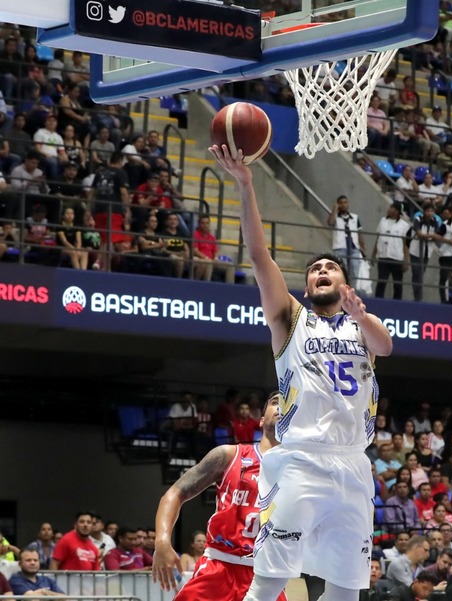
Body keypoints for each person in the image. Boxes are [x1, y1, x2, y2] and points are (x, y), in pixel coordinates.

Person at [210, 144, 392, 601]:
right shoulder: (291, 320)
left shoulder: (361, 327)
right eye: (314, 270)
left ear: (344, 284)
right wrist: (246, 183)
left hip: (353, 463)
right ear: (307, 287)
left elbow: (385, 346)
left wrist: (362, 314)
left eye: (330, 267)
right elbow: (258, 256)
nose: (322, 271)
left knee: (347, 589)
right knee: (270, 580)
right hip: (302, 461)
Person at [152, 392, 289, 601]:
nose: (282, 407)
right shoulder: (229, 455)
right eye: (275, 402)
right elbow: (175, 493)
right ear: (260, 420)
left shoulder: (301, 473)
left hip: (266, 574)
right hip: (219, 567)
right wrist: (162, 541)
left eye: (289, 403)